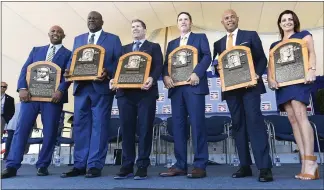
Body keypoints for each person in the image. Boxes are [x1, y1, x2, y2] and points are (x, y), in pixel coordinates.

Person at [1, 25, 71, 178]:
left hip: (53, 99)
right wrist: (21, 88)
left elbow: (68, 75)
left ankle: (43, 165)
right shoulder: (36, 50)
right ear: (48, 34)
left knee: (50, 132)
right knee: (21, 130)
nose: (56, 33)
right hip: (30, 97)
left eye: (59, 31)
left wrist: (61, 90)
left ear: (63, 35)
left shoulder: (68, 54)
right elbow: (24, 70)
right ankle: (12, 166)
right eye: (53, 31)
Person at [213, 9, 273, 182]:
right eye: (226, 18)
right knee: (238, 126)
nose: (229, 20)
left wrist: (257, 74)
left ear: (237, 19)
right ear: (222, 22)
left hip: (251, 88)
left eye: (232, 17)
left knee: (255, 123)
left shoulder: (250, 35)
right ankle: (244, 165)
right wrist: (217, 70)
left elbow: (261, 59)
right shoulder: (218, 43)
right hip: (231, 91)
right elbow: (218, 67)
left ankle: (264, 167)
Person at [62, 11, 122, 178]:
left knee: (100, 126)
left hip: (101, 88)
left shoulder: (113, 39)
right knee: (80, 127)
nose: (91, 20)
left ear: (102, 21)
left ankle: (94, 165)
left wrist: (107, 72)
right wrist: (69, 71)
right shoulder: (78, 39)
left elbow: (119, 61)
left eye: (95, 18)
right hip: (81, 89)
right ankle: (79, 164)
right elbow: (72, 60)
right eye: (89, 18)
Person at [268, 10, 319, 180]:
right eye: (284, 20)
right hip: (283, 84)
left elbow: (311, 53)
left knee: (300, 115)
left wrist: (312, 70)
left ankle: (311, 161)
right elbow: (271, 67)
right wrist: (271, 79)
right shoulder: (274, 45)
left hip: (299, 79)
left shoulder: (304, 35)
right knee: (292, 119)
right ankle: (304, 162)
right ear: (280, 23)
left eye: (290, 19)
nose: (287, 22)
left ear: (295, 21)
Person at [159, 12, 211, 179]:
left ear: (191, 22)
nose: (183, 22)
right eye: (180, 20)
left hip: (194, 86)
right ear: (177, 23)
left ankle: (200, 164)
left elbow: (207, 56)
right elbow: (166, 63)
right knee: (178, 127)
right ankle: (180, 164)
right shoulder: (172, 43)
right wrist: (165, 76)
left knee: (197, 125)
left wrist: (197, 73)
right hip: (176, 89)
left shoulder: (200, 37)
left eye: (186, 19)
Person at [111, 19, 163, 180]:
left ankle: (142, 166)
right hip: (125, 95)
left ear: (144, 29)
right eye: (132, 27)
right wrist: (113, 79)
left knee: (145, 129)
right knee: (127, 130)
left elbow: (159, 66)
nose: (135, 29)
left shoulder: (153, 47)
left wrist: (152, 79)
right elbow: (117, 68)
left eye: (138, 27)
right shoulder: (124, 49)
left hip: (145, 93)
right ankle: (127, 166)